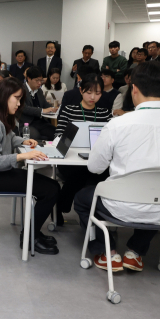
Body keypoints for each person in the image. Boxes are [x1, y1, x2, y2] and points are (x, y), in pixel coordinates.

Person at [74, 61, 160, 272]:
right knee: (157, 197)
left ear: (134, 89)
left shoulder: (118, 124)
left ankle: (107, 252)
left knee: (82, 200)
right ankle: (135, 252)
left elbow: (94, 168)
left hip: (121, 206)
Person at [0, 77, 60, 254]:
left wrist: (23, 141)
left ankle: (32, 231)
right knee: (51, 189)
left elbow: (9, 137)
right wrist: (23, 155)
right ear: (4, 96)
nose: (19, 104)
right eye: (17, 98)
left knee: (52, 186)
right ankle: (29, 237)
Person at [54, 77, 112, 224]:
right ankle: (66, 208)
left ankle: (80, 210)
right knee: (80, 173)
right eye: (89, 92)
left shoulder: (105, 113)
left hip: (96, 157)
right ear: (81, 91)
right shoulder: (68, 110)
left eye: (98, 93)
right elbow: (58, 135)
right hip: (71, 159)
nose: (93, 97)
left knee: (98, 174)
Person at [20, 66, 56, 140]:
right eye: (37, 80)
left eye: (41, 80)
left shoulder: (39, 91)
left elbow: (44, 104)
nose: (40, 83)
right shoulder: (21, 90)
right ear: (29, 78)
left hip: (40, 122)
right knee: (35, 137)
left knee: (56, 133)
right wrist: (42, 110)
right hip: (27, 123)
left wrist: (53, 108)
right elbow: (24, 108)